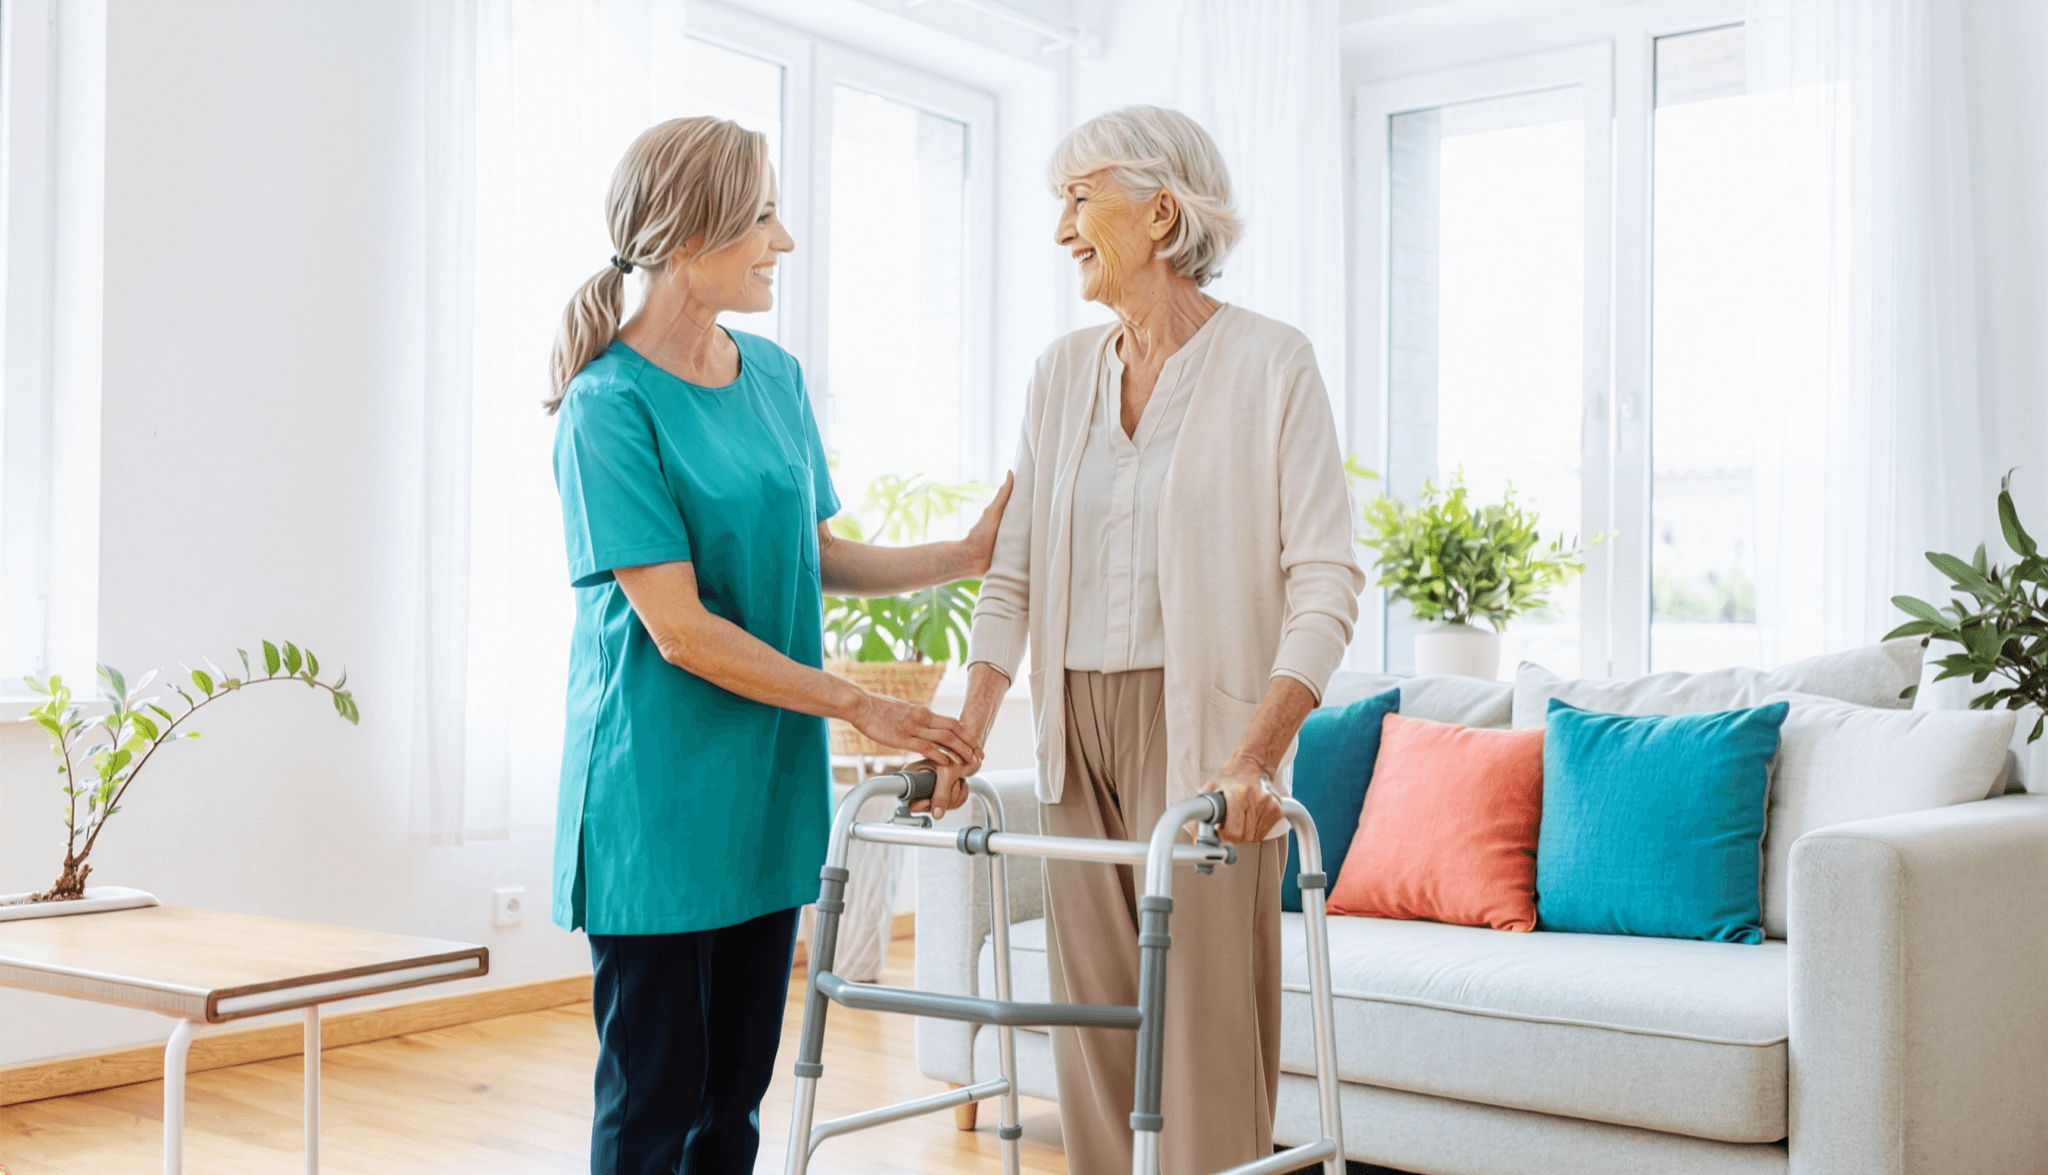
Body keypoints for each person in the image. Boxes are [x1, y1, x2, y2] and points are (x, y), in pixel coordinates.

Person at [545, 115, 1010, 1175]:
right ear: (684, 231)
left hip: (762, 781)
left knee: (736, 1093)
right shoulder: (606, 405)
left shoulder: (776, 378)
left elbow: (812, 557)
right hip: (655, 794)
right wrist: (859, 703)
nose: (782, 241)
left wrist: (964, 553)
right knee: (654, 1091)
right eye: (760, 216)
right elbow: (679, 628)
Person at [913, 106, 1363, 1174]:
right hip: (1075, 735)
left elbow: (1326, 579)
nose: (1061, 226)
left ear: (1159, 213)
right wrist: (964, 737)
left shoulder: (1271, 363)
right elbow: (1011, 571)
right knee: (1095, 1043)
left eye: (1078, 197)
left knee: (1203, 1040)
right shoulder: (1059, 370)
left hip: (1204, 742)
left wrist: (1252, 753)